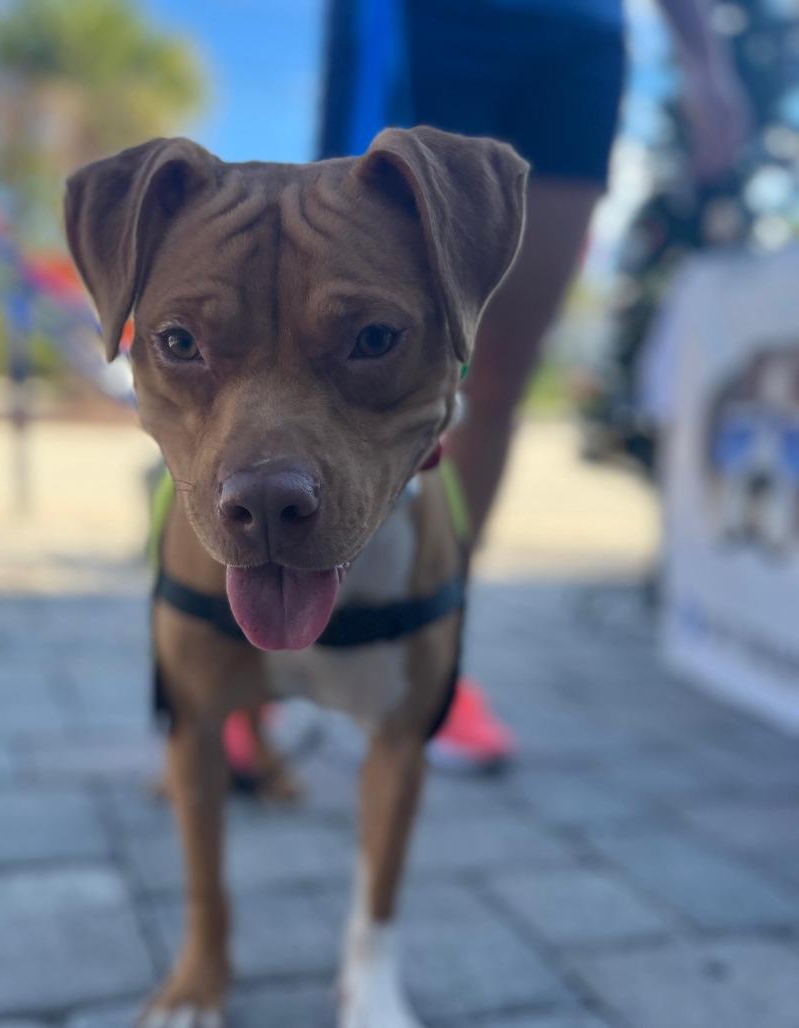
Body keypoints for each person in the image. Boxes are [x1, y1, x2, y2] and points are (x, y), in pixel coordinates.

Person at [315, 0, 751, 770]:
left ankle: (428, 660)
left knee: (495, 378)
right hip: (429, 21)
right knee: (329, 353)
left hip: (577, 36)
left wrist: (705, 62)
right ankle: (232, 644)